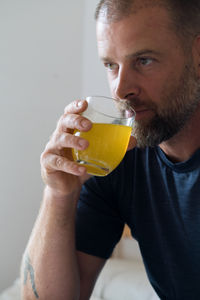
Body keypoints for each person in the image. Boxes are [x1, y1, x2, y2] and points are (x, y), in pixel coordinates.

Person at [20, 0, 200, 299]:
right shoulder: (116, 160)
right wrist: (58, 194)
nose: (120, 89)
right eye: (110, 65)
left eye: (143, 60)